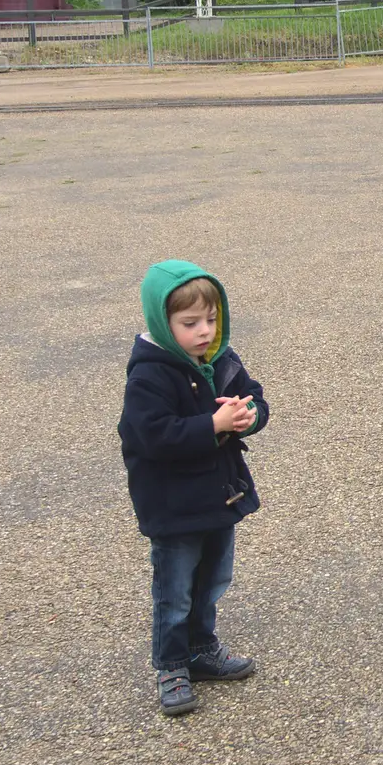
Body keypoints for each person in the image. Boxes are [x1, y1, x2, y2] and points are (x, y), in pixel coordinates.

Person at [118, 260, 269, 716]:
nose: (204, 332)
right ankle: (172, 665)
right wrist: (211, 425)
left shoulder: (220, 360)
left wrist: (248, 416)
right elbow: (153, 436)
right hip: (173, 503)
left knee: (214, 578)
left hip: (220, 494)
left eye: (211, 320)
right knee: (176, 587)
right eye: (189, 324)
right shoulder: (149, 375)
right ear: (161, 324)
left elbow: (255, 396)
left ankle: (203, 650)